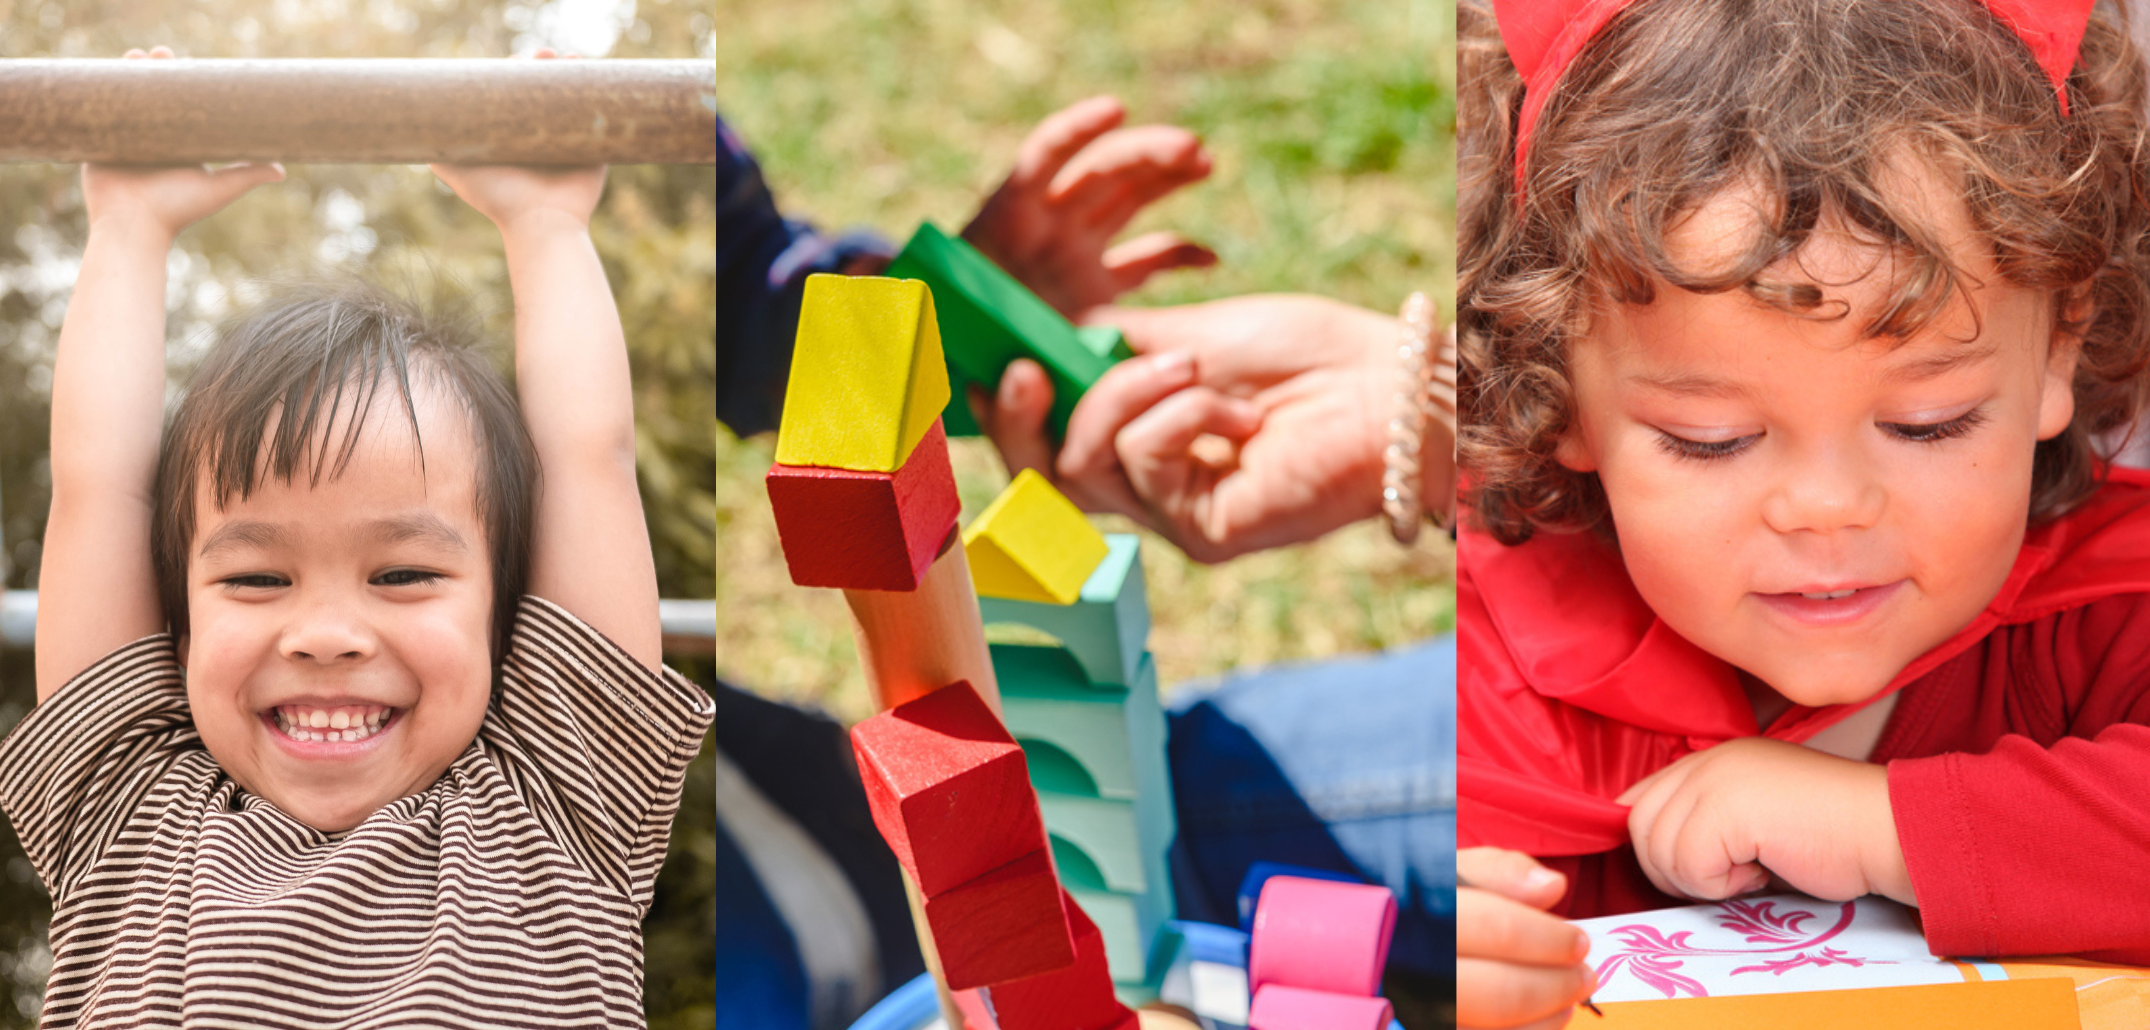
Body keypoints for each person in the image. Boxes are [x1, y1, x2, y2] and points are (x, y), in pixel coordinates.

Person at [1452, 0, 2150, 1027]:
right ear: (1553, 382)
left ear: (2056, 345)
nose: (1826, 510)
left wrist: (1889, 826)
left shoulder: (2105, 610)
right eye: (1710, 439)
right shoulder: (1493, 668)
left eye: (1927, 422)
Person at [0, 46, 711, 1028]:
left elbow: (588, 460)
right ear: (174, 630)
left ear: (511, 621)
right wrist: (127, 227)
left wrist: (546, 226)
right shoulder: (132, 812)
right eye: (255, 579)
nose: (325, 632)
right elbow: (100, 489)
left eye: (404, 571)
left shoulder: (554, 800)